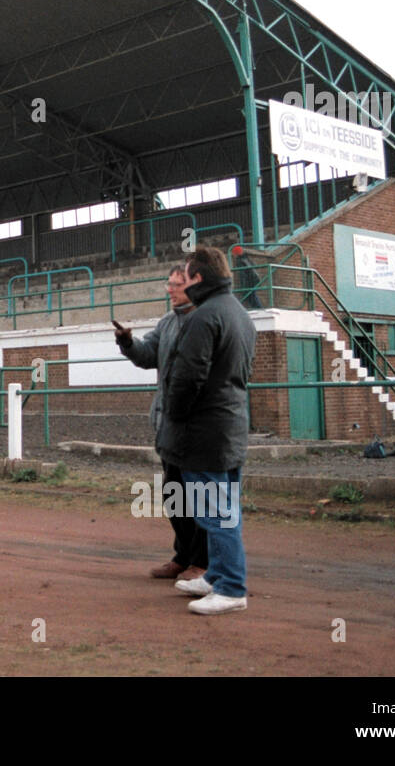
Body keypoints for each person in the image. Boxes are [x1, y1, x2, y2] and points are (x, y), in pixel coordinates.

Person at [161, 245, 257, 616]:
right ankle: (216, 574)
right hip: (229, 426)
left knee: (217, 512)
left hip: (205, 431)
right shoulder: (240, 314)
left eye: (186, 276)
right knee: (224, 506)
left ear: (199, 278)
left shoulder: (205, 318)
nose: (182, 283)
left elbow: (189, 378)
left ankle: (231, 587)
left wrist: (176, 414)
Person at [116, 264, 206, 583]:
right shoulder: (167, 323)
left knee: (198, 496)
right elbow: (146, 355)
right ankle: (183, 556)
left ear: (195, 285)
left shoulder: (205, 323)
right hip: (168, 425)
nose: (169, 289)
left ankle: (202, 561)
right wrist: (127, 343)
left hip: (195, 427)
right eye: (168, 284)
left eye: (176, 284)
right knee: (173, 493)